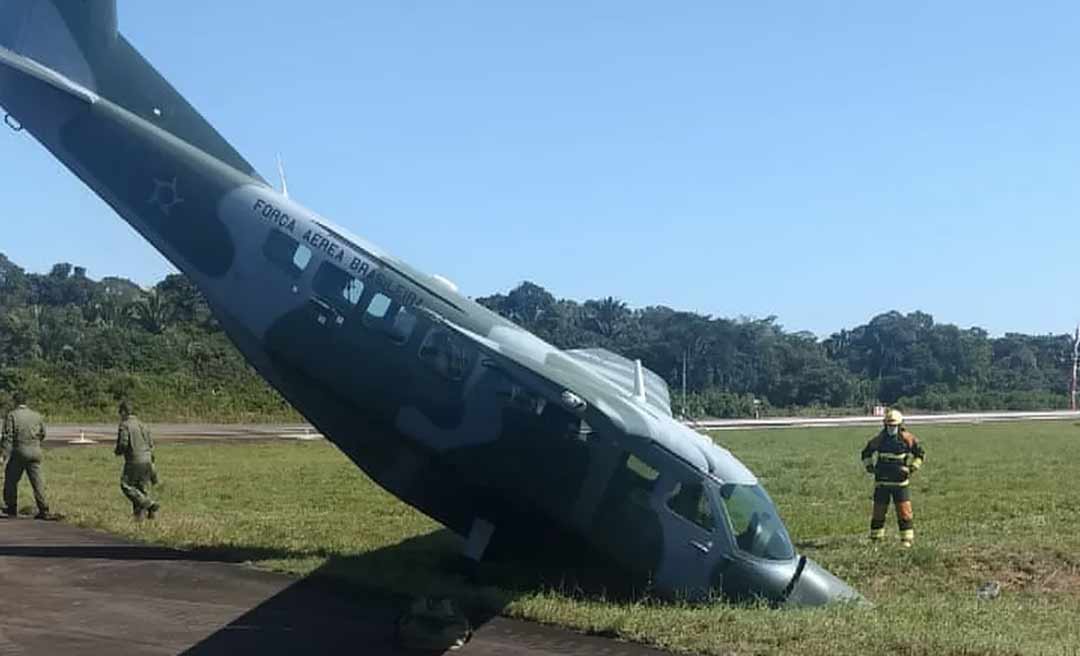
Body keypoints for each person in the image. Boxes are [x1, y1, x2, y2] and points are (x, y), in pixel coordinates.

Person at [860, 409, 925, 547]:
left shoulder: (908, 439)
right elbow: (866, 453)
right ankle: (876, 540)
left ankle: (906, 540)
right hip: (882, 482)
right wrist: (870, 467)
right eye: (889, 425)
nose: (891, 428)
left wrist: (911, 468)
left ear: (900, 425)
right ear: (885, 425)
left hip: (900, 483)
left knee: (904, 512)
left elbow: (920, 454)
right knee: (878, 511)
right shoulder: (879, 439)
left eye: (894, 426)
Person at [0, 391, 54, 519]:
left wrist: (3, 454)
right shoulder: (36, 415)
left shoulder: (12, 415)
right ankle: (44, 508)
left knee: (11, 479)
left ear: (15, 401)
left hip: (20, 451)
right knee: (37, 481)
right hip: (35, 451)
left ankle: (11, 507)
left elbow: (8, 437)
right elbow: (43, 433)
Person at [114, 400, 159, 521]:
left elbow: (123, 443)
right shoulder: (143, 425)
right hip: (148, 459)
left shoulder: (125, 425)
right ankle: (141, 516)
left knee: (127, 485)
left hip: (135, 460)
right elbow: (151, 444)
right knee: (141, 488)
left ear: (124, 412)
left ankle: (149, 504)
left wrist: (118, 451)